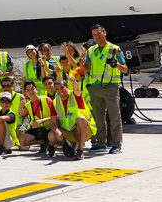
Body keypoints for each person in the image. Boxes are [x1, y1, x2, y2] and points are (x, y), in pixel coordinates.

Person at [81, 24, 127, 154]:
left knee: (114, 117)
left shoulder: (114, 49)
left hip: (110, 87)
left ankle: (116, 144)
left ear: (105, 33)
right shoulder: (91, 50)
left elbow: (125, 68)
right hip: (94, 87)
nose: (97, 36)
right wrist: (82, 59)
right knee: (98, 118)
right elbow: (86, 69)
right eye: (94, 35)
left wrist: (116, 64)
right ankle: (101, 143)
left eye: (99, 33)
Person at [49, 78, 94, 160]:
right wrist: (57, 131)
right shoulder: (55, 101)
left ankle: (80, 150)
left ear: (67, 87)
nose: (60, 91)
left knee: (81, 119)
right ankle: (68, 144)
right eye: (57, 89)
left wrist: (75, 83)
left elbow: (77, 90)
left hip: (82, 130)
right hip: (67, 130)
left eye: (62, 88)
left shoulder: (74, 95)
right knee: (51, 135)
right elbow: (52, 121)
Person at [18, 81, 56, 155]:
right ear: (25, 93)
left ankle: (51, 143)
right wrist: (20, 107)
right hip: (39, 130)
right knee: (22, 141)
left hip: (50, 128)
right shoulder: (28, 105)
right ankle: (43, 142)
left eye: (32, 89)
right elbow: (22, 113)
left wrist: (41, 121)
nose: (31, 92)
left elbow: (56, 117)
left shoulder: (46, 99)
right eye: (28, 90)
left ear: (37, 89)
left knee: (53, 134)